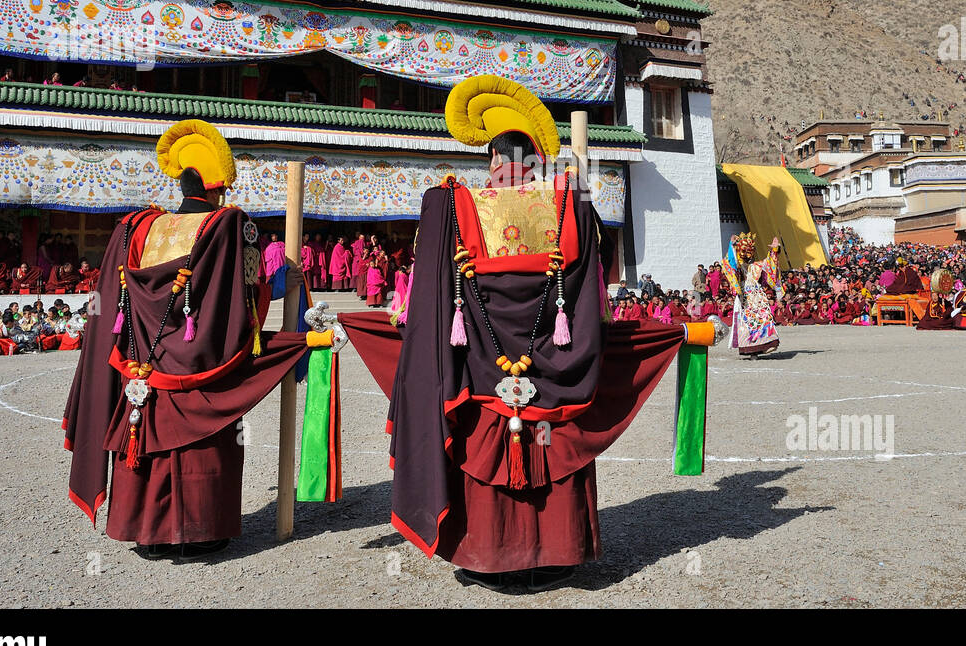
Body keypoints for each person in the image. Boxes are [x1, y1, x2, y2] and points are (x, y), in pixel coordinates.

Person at [337, 75, 687, 592]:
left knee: (486, 440)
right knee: (549, 440)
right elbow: (594, 295)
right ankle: (557, 552)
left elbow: (430, 303)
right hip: (558, 365)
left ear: (491, 159)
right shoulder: (572, 206)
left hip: (481, 371)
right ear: (536, 160)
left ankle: (489, 553)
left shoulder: (453, 208)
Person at [63, 119, 312, 562]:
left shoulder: (134, 229)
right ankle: (198, 533)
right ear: (218, 186)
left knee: (144, 443)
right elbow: (241, 304)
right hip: (200, 369)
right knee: (202, 447)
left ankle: (148, 533)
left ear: (181, 181)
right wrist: (278, 281)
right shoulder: (229, 226)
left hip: (141, 370)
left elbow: (110, 308)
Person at [722, 234, 781, 357]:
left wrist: (774, 251)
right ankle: (751, 349)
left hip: (758, 297)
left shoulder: (756, 266)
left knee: (764, 317)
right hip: (746, 298)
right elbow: (731, 263)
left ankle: (767, 344)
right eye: (744, 251)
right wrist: (731, 245)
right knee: (748, 321)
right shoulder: (738, 267)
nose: (747, 255)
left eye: (750, 251)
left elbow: (769, 264)